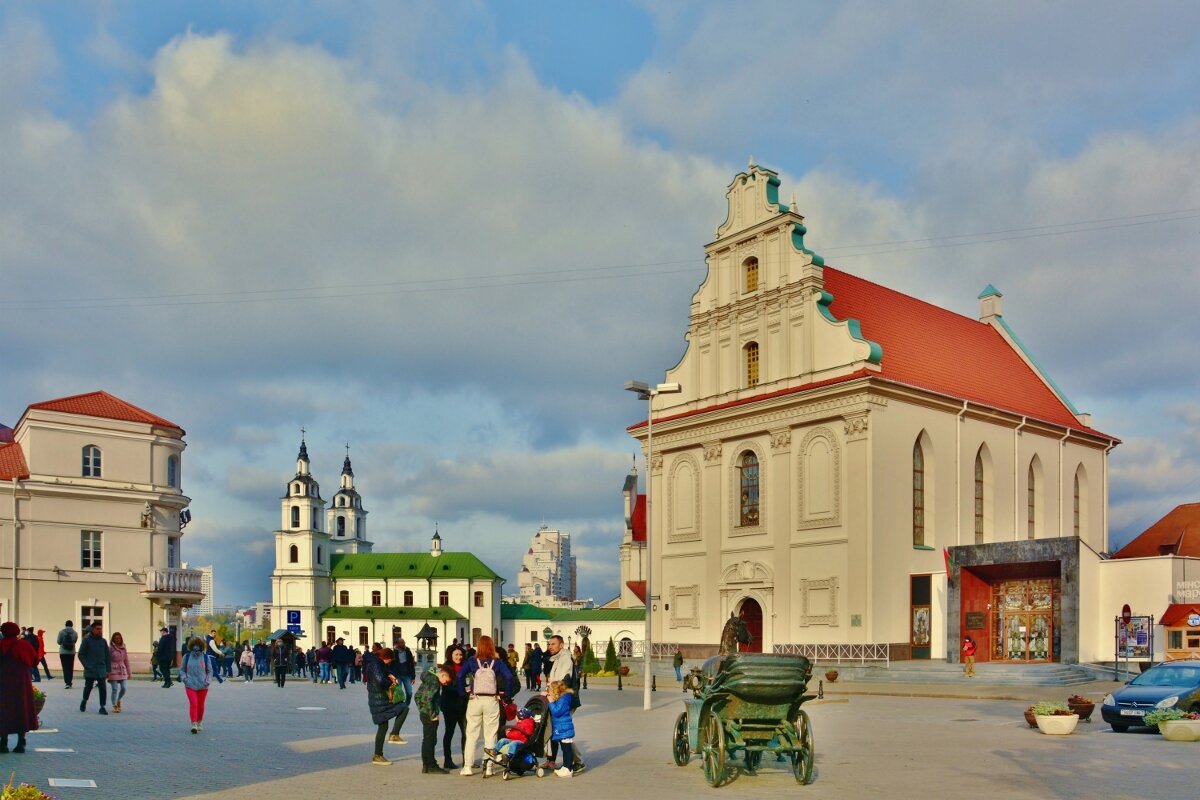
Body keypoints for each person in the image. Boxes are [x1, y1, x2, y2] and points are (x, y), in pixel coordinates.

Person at [457, 635, 513, 776]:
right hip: (491, 700)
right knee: (491, 734)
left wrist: (463, 694)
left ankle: (467, 766)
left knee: (471, 734)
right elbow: (509, 677)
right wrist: (506, 694)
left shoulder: (472, 661)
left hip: (475, 699)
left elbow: (459, 676)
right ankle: (488, 767)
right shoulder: (497, 662)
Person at [0, 621, 39, 753]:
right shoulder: (23, 645)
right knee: (22, 709)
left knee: (3, 710)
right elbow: (34, 660)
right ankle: (21, 742)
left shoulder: (0, 644)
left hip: (3, 683)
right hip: (21, 683)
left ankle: (3, 742)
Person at [365, 647, 408, 766]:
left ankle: (379, 753)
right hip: (378, 701)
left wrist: (390, 675)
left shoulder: (379, 664)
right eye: (390, 660)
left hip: (381, 700)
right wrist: (392, 682)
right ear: (386, 657)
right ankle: (381, 750)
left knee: (385, 725)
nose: (390, 662)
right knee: (402, 709)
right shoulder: (376, 665)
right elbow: (380, 680)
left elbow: (386, 674)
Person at [415, 666, 452, 774]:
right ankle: (431, 765)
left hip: (424, 712)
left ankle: (426, 765)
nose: (445, 684)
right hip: (429, 713)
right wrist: (433, 714)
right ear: (443, 675)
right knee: (430, 739)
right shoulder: (434, 682)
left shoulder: (429, 678)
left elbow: (419, 697)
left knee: (427, 739)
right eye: (446, 681)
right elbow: (427, 699)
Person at [439, 646, 468, 770]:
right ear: (451, 655)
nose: (459, 657)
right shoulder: (446, 668)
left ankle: (467, 759)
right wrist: (463, 691)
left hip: (463, 705)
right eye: (456, 654)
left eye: (460, 655)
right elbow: (446, 687)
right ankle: (448, 760)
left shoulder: (465, 667)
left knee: (466, 733)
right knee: (449, 732)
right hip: (450, 705)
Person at [77, 621, 111, 715]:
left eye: (101, 629)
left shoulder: (103, 641)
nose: (100, 631)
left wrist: (108, 670)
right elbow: (81, 654)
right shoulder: (87, 641)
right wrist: (86, 665)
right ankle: (84, 700)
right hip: (90, 668)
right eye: (97, 629)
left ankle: (102, 707)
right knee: (88, 686)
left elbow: (107, 656)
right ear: (92, 629)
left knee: (103, 688)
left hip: (101, 668)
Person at [547, 681, 579, 778]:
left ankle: (568, 769)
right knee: (565, 749)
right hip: (562, 728)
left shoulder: (564, 699)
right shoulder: (562, 698)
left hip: (564, 728)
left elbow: (557, 711)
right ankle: (565, 767)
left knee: (567, 749)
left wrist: (551, 702)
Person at [181, 637, 212, 733]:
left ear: (201, 647)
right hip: (190, 684)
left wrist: (207, 681)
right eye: (194, 647)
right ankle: (193, 723)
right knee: (194, 704)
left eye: (198, 647)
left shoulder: (206, 657)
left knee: (200, 705)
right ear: (191, 647)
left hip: (203, 685)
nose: (196, 649)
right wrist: (185, 679)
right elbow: (182, 669)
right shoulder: (186, 657)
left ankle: (199, 722)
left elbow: (210, 671)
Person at [107, 631, 130, 713]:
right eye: (116, 638)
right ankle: (114, 705)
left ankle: (118, 700)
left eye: (119, 638)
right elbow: (107, 660)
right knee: (114, 689)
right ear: (113, 639)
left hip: (122, 670)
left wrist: (129, 672)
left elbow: (126, 660)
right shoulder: (110, 648)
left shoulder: (124, 648)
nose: (118, 640)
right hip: (113, 669)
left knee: (123, 688)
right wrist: (108, 671)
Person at [393, 638, 416, 714]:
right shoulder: (394, 652)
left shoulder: (408, 651)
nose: (402, 644)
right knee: (399, 692)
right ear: (397, 644)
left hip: (407, 675)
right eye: (401, 643)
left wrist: (413, 677)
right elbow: (391, 664)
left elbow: (411, 664)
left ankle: (406, 705)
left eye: (403, 642)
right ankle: (400, 707)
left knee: (409, 692)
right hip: (397, 675)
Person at [56, 619, 78, 689]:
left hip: (63, 652)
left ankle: (67, 682)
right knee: (70, 667)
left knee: (65, 667)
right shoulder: (75, 633)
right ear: (72, 625)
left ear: (65, 625)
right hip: (71, 652)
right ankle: (70, 681)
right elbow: (74, 641)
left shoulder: (61, 632)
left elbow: (58, 642)